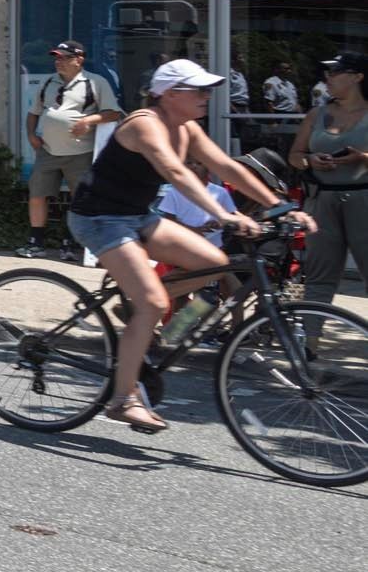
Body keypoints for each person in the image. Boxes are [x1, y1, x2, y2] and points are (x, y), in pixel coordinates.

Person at [66, 59, 309, 434]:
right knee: (154, 303)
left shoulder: (188, 128)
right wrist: (224, 215)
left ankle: (137, 312)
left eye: (207, 90)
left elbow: (229, 168)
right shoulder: (143, 123)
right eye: (198, 90)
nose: (206, 97)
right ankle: (123, 399)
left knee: (215, 262)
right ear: (169, 94)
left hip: (139, 215)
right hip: (100, 219)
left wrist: (280, 207)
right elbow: (176, 173)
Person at [20, 40, 123, 259]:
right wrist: (31, 134)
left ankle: (71, 244)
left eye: (64, 58)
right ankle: (35, 242)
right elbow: (33, 112)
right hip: (48, 151)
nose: (59, 62)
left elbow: (114, 113)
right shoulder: (48, 82)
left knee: (79, 199)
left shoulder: (95, 82)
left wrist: (89, 121)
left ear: (79, 60)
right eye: (57, 58)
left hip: (80, 154)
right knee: (37, 194)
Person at [290, 52, 368, 311]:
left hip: (363, 200)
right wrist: (311, 161)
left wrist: (362, 158)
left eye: (335, 72)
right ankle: (307, 348)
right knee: (318, 278)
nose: (328, 78)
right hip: (321, 202)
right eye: (327, 72)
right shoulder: (316, 114)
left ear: (357, 77)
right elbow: (294, 156)